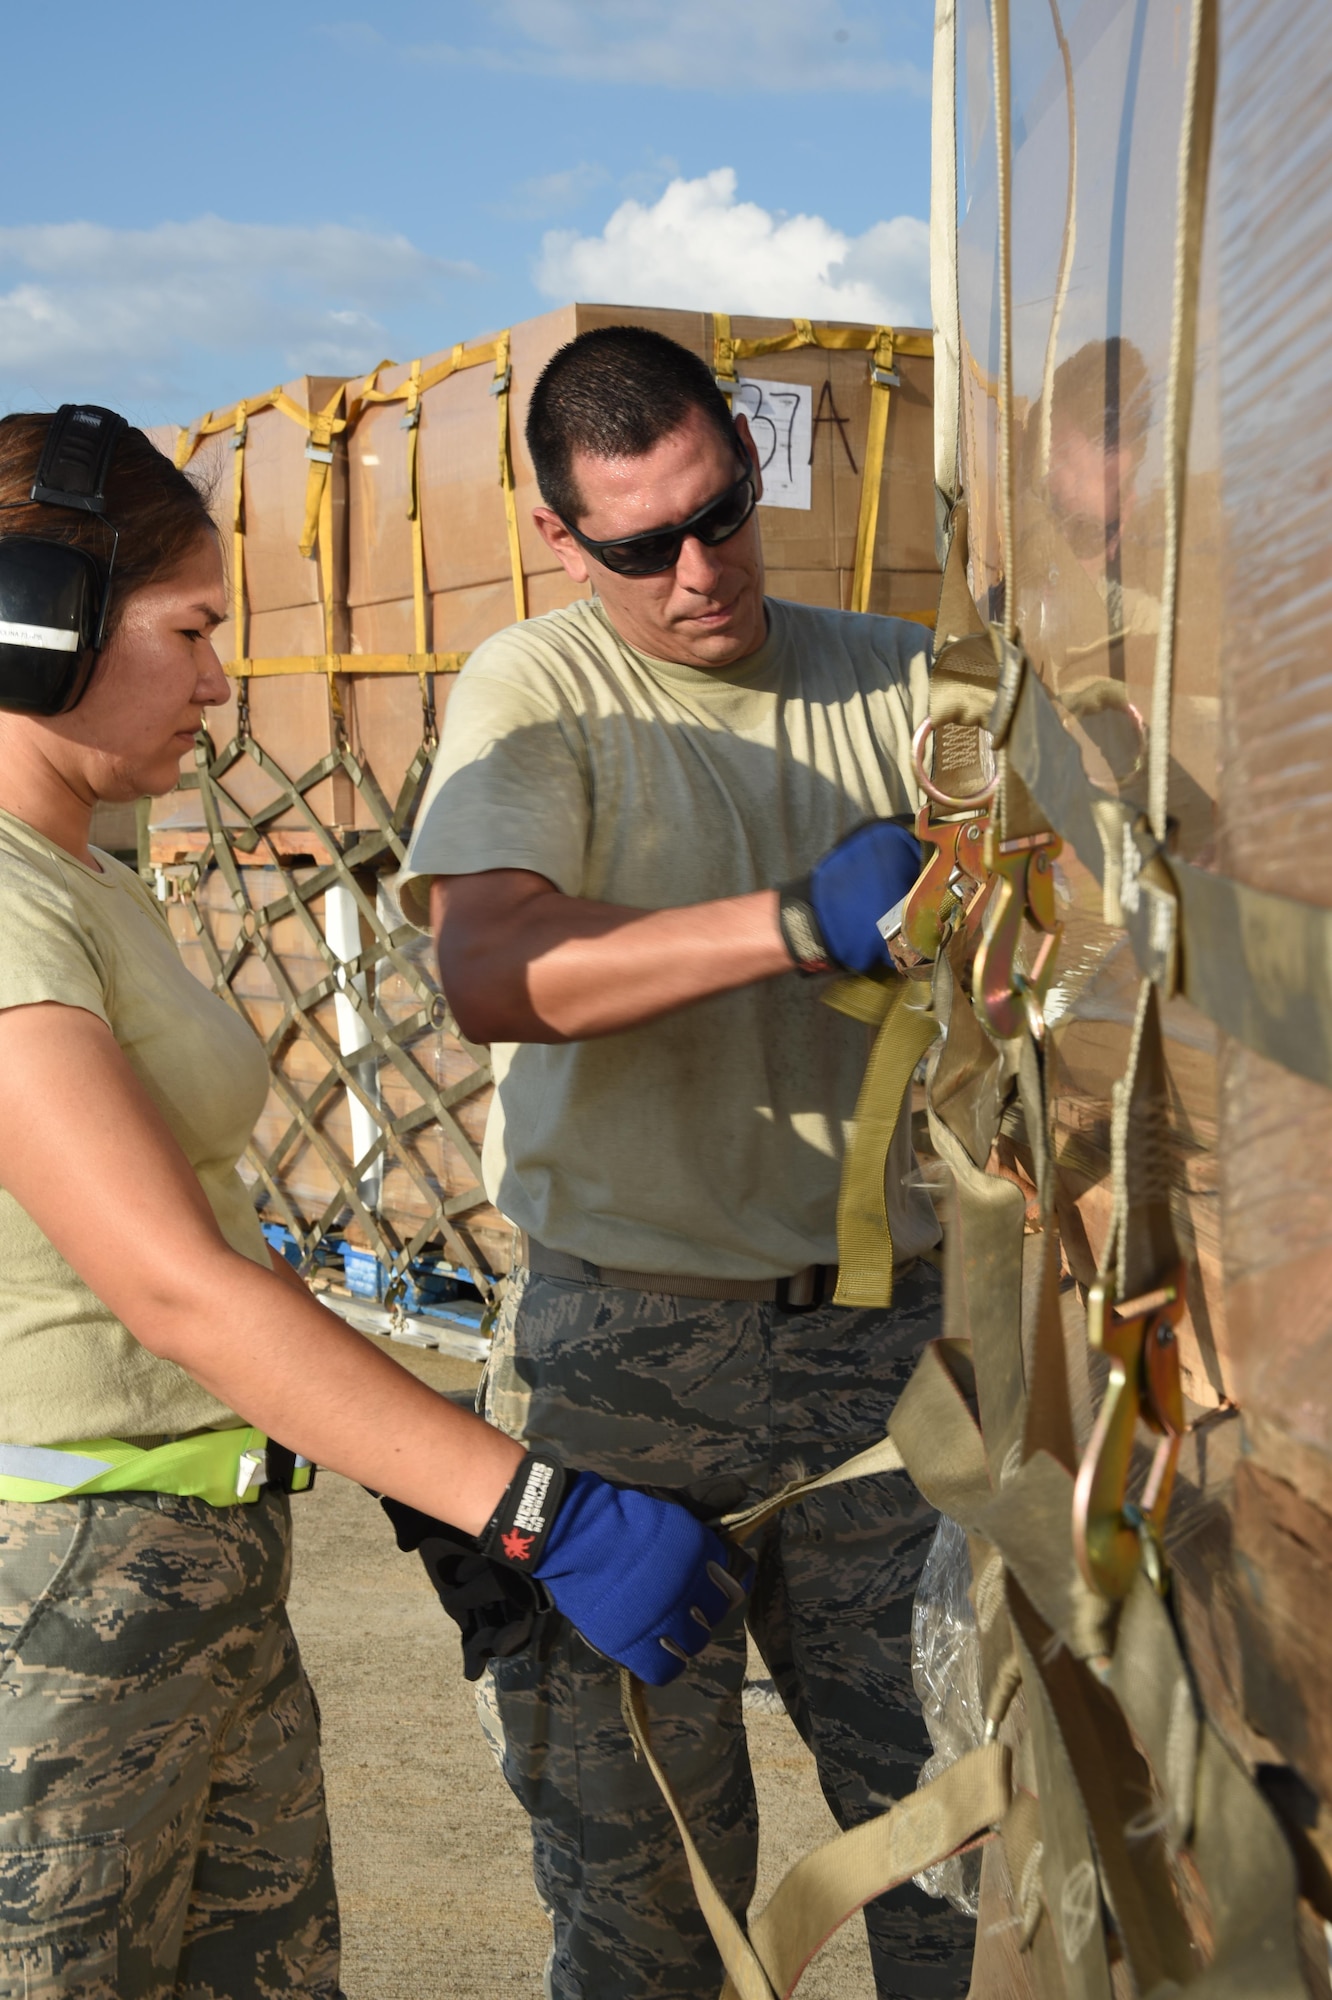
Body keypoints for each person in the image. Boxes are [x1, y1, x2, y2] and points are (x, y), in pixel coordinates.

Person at [0, 406, 741, 2000]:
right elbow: (173, 1287)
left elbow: (215, 1227)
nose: (217, 682)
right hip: (44, 1606)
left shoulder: (85, 880)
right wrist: (528, 1506)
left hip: (194, 1566)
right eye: (190, 631)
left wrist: (393, 1455)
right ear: (36, 624)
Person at [400, 328, 977, 2000]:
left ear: (746, 460)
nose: (700, 571)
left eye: (720, 513)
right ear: (563, 535)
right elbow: (490, 971)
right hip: (628, 1368)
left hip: (894, 1356)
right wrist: (789, 925)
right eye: (642, 544)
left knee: (969, 1850)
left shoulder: (905, 677)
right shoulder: (539, 687)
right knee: (645, 1891)